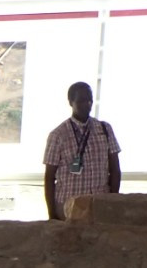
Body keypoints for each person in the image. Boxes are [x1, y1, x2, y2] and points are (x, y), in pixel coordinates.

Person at [42, 81, 121, 220]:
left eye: (90, 100)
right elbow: (49, 177)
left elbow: (115, 169)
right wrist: (52, 215)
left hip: (100, 205)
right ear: (71, 102)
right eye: (81, 100)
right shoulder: (58, 135)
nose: (87, 104)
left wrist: (113, 201)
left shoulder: (104, 129)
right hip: (70, 207)